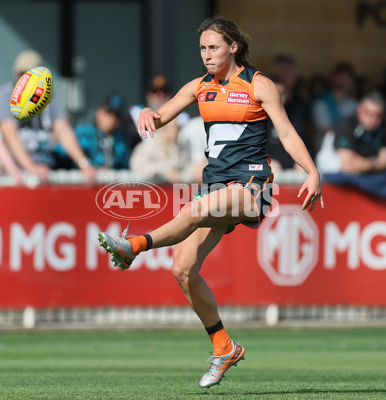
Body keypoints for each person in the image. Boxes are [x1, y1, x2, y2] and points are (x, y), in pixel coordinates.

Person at [97, 17, 322, 388]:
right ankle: (224, 346)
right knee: (182, 269)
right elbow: (161, 115)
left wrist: (311, 171)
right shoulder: (199, 87)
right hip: (218, 185)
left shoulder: (258, 84)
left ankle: (134, 245)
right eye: (202, 48)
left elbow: (285, 131)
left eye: (213, 47)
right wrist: (145, 113)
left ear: (234, 47)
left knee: (197, 209)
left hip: (254, 185)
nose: (206, 55)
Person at [0, 50, 96, 183]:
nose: (24, 80)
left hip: (47, 168)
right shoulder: (5, 95)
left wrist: (84, 164)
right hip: (16, 173)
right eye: (21, 74)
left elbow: (64, 131)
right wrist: (32, 167)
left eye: (29, 76)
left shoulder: (48, 95)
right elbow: (10, 136)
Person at [68, 93, 133, 170]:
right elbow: (60, 154)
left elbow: (126, 167)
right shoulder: (82, 133)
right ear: (99, 112)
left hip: (110, 181)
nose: (112, 119)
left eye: (117, 115)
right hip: (81, 181)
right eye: (109, 113)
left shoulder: (121, 140)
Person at [334, 91, 386, 173]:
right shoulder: (346, 125)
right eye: (368, 113)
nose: (372, 119)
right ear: (359, 110)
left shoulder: (382, 129)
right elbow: (347, 164)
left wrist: (365, 164)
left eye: (378, 115)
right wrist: (374, 164)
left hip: (370, 176)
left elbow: (385, 162)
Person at [129, 75, 191, 150]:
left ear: (171, 94)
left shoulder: (182, 117)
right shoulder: (134, 112)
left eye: (164, 91)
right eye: (154, 91)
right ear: (147, 94)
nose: (160, 95)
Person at [311, 62, 358, 154]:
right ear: (332, 77)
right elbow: (326, 131)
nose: (343, 79)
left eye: (347, 77)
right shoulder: (321, 102)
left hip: (351, 152)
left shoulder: (355, 105)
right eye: (340, 75)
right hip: (325, 153)